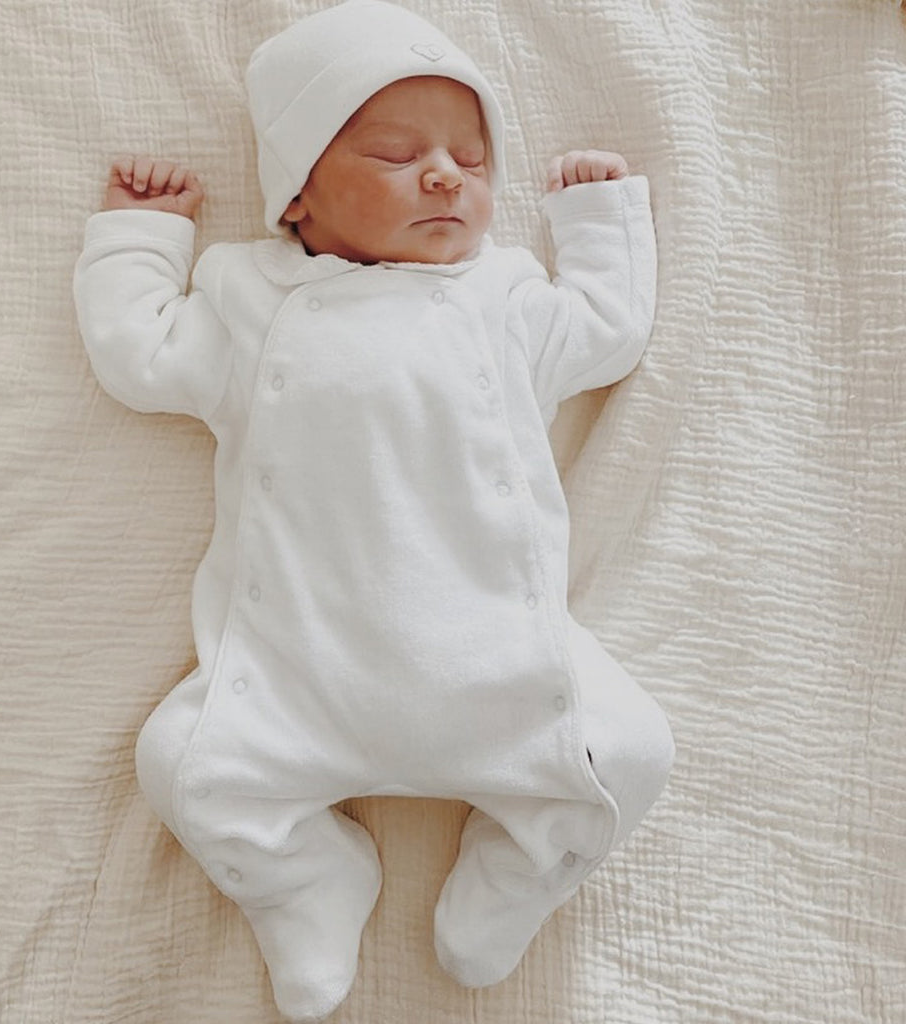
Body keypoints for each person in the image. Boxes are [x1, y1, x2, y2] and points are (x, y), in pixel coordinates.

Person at [74, 1, 674, 1020]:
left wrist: (597, 221)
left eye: (470, 159)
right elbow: (139, 356)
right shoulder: (251, 299)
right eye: (396, 154)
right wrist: (143, 237)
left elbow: (605, 333)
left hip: (501, 669)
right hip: (296, 678)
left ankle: (518, 866)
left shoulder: (506, 300)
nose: (445, 174)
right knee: (179, 762)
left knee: (630, 750)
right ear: (297, 200)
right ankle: (304, 876)